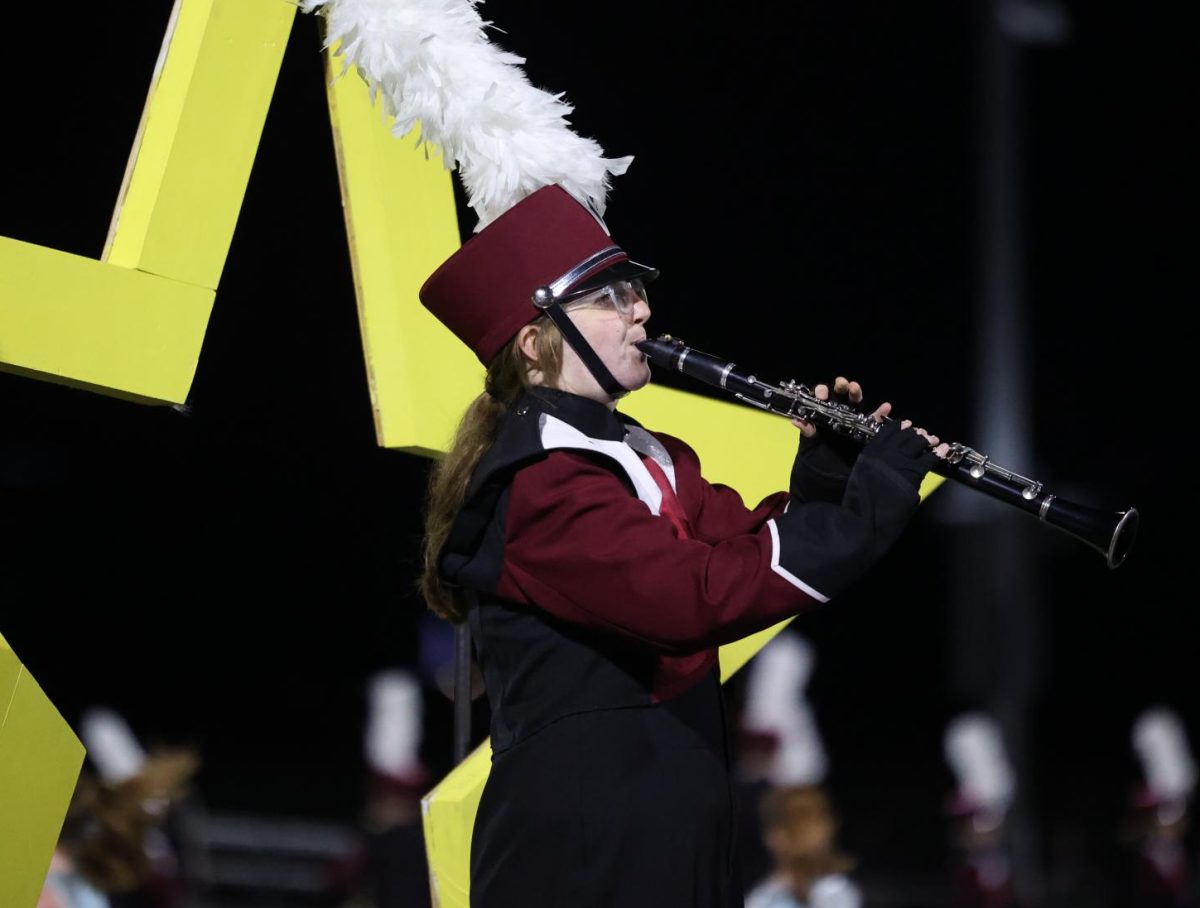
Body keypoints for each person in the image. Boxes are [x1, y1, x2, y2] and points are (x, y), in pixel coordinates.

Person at [417, 182, 950, 907]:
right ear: (535, 341)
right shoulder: (538, 482)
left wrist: (830, 480)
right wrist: (870, 508)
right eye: (608, 298)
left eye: (633, 290)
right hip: (581, 851)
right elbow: (694, 597)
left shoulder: (651, 453)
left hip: (665, 831)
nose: (642, 311)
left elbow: (748, 549)